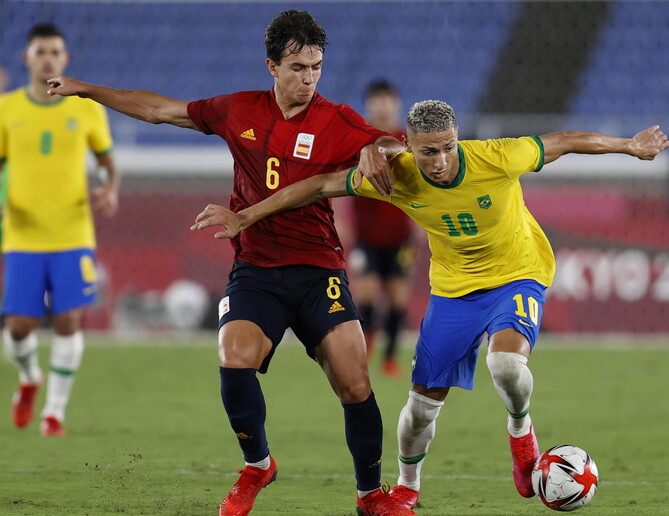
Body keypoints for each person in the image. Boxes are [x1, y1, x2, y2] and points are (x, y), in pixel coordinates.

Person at [191, 100, 669, 509]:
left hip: (517, 276)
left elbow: (564, 140)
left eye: (447, 147)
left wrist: (629, 146)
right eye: (428, 152)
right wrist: (246, 215)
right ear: (410, 148)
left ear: (457, 139)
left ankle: (522, 436)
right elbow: (318, 187)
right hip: (453, 291)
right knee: (420, 409)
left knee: (504, 365)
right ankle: (405, 490)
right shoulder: (395, 176)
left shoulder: (498, 157)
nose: (440, 160)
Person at [47, 10, 415, 516]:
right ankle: (258, 464)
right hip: (257, 269)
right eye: (297, 67)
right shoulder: (238, 110)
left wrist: (379, 147)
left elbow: (390, 143)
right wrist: (86, 88)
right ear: (271, 66)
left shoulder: (336, 119)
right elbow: (159, 110)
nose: (308, 79)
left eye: (316, 68)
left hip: (318, 269)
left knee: (355, 381)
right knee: (233, 353)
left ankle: (371, 495)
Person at [0, 23, 120, 437]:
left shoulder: (86, 108)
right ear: (27, 58)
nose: (48, 57)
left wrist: (110, 188)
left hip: (72, 234)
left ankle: (54, 413)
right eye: (41, 51)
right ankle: (30, 377)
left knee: (69, 321)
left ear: (65, 59)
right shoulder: (6, 110)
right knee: (17, 327)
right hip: (22, 235)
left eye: (55, 51)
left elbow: (107, 162)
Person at [351, 80, 413, 377]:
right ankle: (367, 342)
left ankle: (389, 359)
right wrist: (338, 220)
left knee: (399, 299)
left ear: (397, 104)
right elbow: (337, 178)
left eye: (388, 99)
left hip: (400, 237)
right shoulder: (357, 138)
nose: (383, 105)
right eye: (377, 100)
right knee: (366, 296)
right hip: (366, 236)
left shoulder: (409, 139)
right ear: (369, 105)